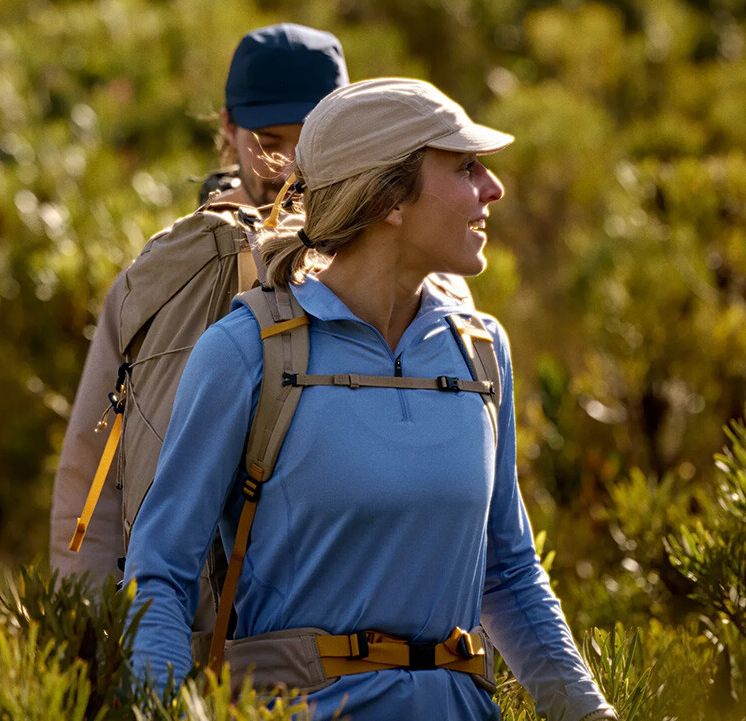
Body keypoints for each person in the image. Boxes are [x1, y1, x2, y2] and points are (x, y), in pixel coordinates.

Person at [124, 79, 618, 721]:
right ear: (389, 199)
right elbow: (160, 574)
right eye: (464, 167)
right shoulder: (244, 352)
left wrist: (591, 714)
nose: (493, 188)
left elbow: (509, 575)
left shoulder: (480, 351)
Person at [49, 23, 349, 589]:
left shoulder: (398, 263)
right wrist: (88, 620)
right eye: (270, 139)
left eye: (311, 139)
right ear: (228, 127)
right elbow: (90, 475)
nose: (290, 165)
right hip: (186, 623)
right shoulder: (165, 274)